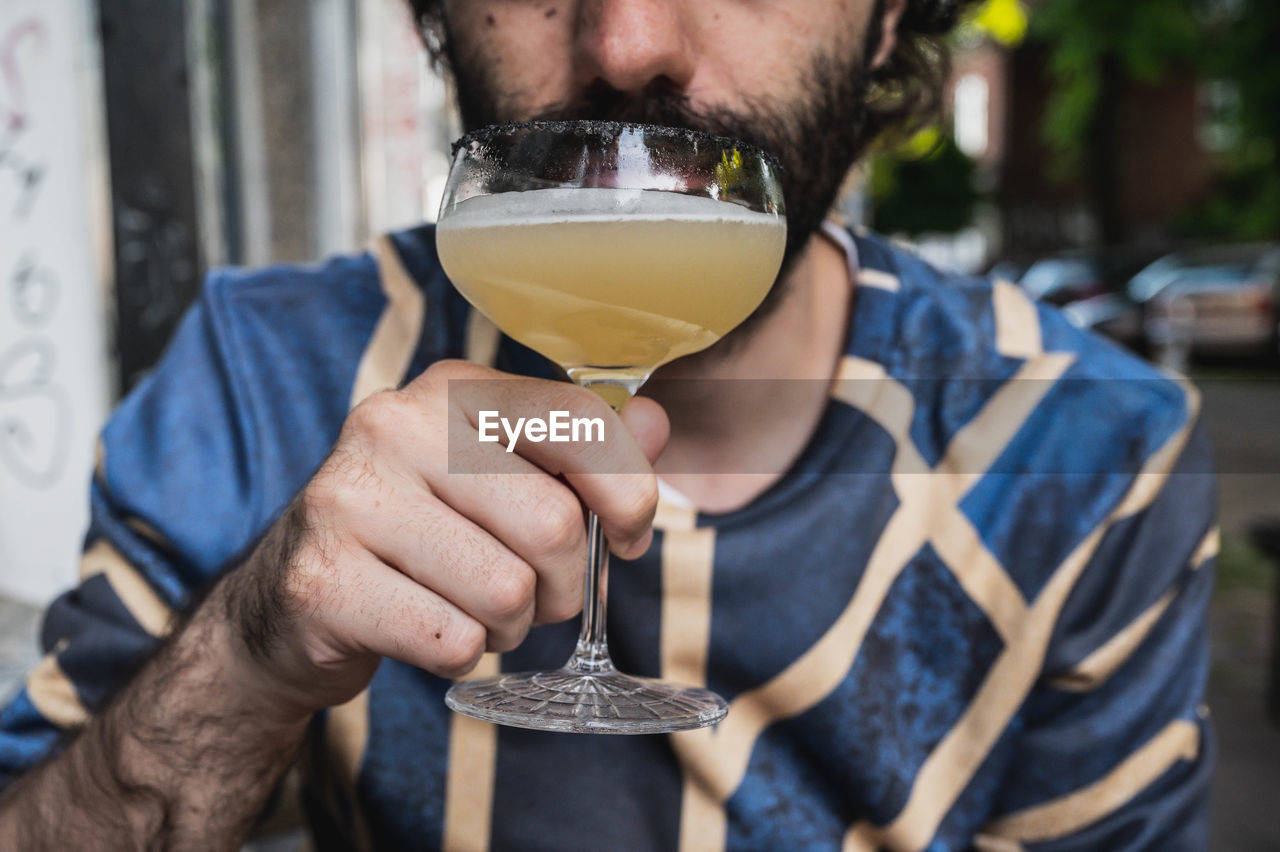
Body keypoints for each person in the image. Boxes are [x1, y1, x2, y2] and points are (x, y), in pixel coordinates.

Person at [0, 0, 1217, 849]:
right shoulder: (275, 368)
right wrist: (245, 659)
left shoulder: (1084, 446)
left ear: (889, 14)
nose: (627, 43)